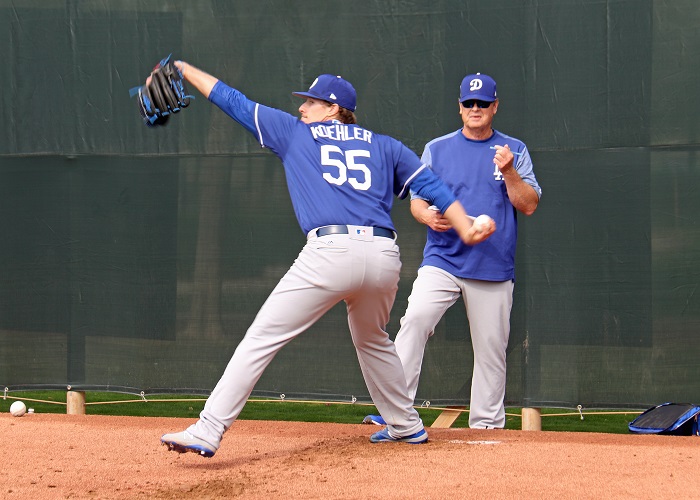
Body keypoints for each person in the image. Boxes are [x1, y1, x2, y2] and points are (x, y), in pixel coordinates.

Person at [158, 62, 496, 457]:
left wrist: (184, 68)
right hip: (383, 256)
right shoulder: (384, 145)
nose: (303, 109)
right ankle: (405, 425)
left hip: (331, 252)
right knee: (373, 338)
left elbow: (232, 99)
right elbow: (431, 185)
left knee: (262, 337)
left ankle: (209, 428)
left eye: (311, 102)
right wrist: (466, 228)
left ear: (334, 108)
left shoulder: (295, 134)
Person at [364, 72, 541, 429]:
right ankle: (395, 412)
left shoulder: (513, 150)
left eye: (482, 103)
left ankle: (487, 427)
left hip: (492, 266)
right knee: (414, 321)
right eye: (468, 103)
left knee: (491, 351)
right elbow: (417, 202)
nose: (475, 109)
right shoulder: (438, 148)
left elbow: (529, 204)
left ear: (495, 107)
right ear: (459, 108)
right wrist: (427, 215)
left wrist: (508, 172)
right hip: (443, 259)